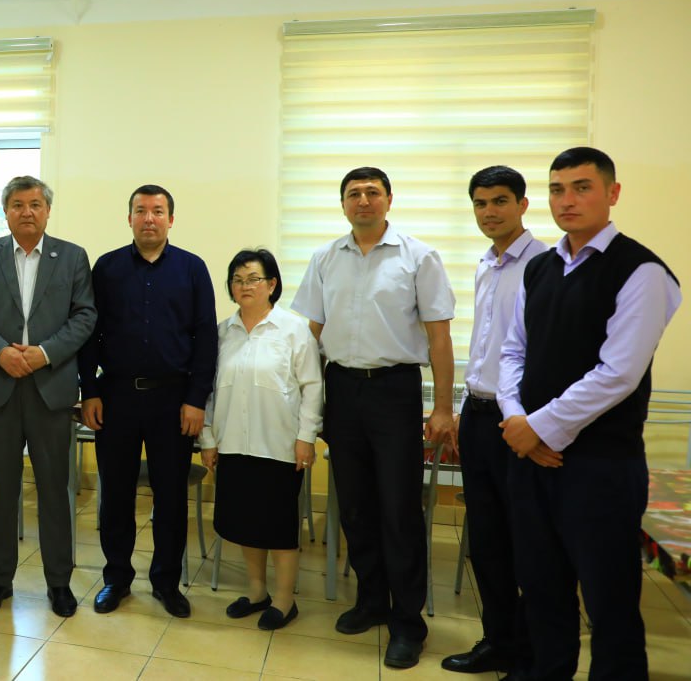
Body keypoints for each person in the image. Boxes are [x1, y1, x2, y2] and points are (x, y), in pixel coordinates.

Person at [497, 147, 680, 681]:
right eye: (557, 190)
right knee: (542, 589)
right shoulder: (540, 268)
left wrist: (539, 428)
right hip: (532, 460)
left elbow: (618, 373)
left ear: (612, 193)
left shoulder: (642, 271)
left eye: (582, 187)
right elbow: (512, 352)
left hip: (601, 466)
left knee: (609, 601)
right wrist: (517, 421)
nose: (567, 200)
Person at [291, 166, 456, 670]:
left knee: (399, 508)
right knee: (356, 505)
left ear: (389, 199)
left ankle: (408, 622)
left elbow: (439, 337)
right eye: (353, 194)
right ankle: (371, 601)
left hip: (394, 390)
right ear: (343, 204)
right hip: (341, 389)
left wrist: (443, 407)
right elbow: (310, 332)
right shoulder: (326, 258)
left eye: (372, 192)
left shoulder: (418, 256)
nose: (363, 200)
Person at [0, 175, 96, 618]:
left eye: (35, 204)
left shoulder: (72, 256)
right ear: (6, 211)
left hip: (50, 390)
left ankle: (59, 583)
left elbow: (85, 315)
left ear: (48, 211)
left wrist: (44, 354)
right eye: (18, 204)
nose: (27, 212)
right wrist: (0, 352)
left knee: (54, 489)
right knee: (1, 489)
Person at [78, 184, 217, 619]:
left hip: (173, 401)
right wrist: (89, 390)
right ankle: (116, 578)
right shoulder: (107, 267)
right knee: (115, 494)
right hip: (116, 397)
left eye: (158, 211)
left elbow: (205, 338)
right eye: (141, 210)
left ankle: (166, 582)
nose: (149, 218)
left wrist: (196, 399)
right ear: (129, 218)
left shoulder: (192, 269)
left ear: (171, 219)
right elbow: (89, 333)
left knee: (170, 496)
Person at [440, 167, 545, 675]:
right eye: (480, 203)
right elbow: (486, 348)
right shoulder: (486, 263)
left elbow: (543, 352)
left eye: (500, 201)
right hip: (478, 415)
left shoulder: (545, 264)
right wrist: (463, 409)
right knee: (485, 541)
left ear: (523, 204)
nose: (489, 212)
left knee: (527, 542)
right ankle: (497, 641)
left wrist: (533, 423)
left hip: (518, 422)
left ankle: (530, 652)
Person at [199, 248, 322, 630]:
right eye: (237, 280)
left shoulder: (293, 330)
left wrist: (306, 437)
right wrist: (208, 438)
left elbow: (312, 386)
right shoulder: (221, 333)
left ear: (271, 284)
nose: (245, 286)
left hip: (280, 445)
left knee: (278, 525)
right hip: (233, 443)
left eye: (253, 278)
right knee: (244, 522)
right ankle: (257, 592)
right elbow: (206, 390)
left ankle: (284, 600)